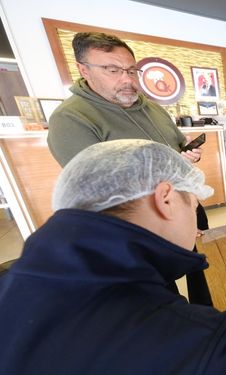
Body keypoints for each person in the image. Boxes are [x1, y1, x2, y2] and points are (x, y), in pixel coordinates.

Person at [0, 140, 226, 375]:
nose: (196, 222)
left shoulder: (15, 277)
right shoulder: (205, 346)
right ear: (165, 198)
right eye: (193, 204)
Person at [46, 32, 212, 306]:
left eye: (132, 70)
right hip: (134, 231)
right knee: (158, 296)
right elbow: (98, 191)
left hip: (176, 209)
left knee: (195, 270)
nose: (127, 80)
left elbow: (176, 146)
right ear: (83, 70)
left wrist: (186, 158)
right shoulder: (72, 118)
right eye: (113, 70)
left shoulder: (152, 109)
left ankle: (205, 316)